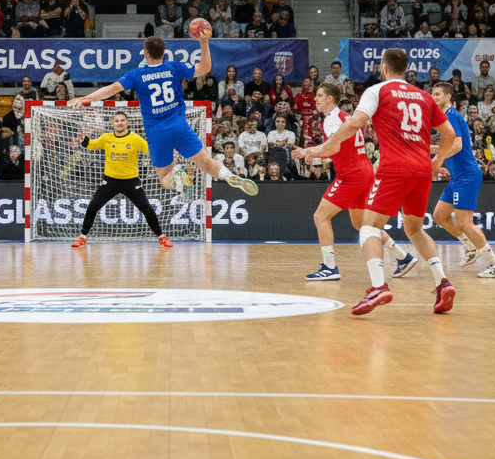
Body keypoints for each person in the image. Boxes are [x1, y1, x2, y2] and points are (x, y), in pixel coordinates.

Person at [304, 47, 458, 315]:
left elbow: (353, 124)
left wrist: (319, 149)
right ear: (406, 68)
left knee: (368, 228)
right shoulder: (424, 96)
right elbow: (449, 133)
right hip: (422, 169)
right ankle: (442, 282)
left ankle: (378, 287)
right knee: (415, 229)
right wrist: (439, 160)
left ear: (384, 68)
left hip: (394, 167)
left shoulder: (377, 91)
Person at [69, 34, 258, 204]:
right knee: (207, 164)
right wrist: (203, 41)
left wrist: (85, 98)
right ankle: (229, 174)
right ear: (164, 52)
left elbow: (110, 90)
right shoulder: (174, 67)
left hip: (157, 132)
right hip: (179, 126)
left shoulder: (137, 74)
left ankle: (177, 177)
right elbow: (205, 67)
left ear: (145, 53)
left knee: (165, 177)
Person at [292, 82, 416, 282]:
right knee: (362, 224)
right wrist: (316, 153)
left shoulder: (332, 120)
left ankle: (329, 267)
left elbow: (334, 149)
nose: (315, 99)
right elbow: (336, 148)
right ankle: (403, 256)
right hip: (364, 172)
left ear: (330, 98)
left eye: (319, 95)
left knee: (320, 216)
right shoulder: (346, 118)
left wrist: (310, 151)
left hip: (351, 175)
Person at [429, 82, 495, 278]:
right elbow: (448, 146)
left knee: (465, 222)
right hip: (456, 177)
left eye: (437, 94)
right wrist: (427, 149)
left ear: (449, 97)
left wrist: (437, 158)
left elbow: (456, 145)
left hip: (467, 175)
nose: (433, 97)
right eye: (432, 94)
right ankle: (471, 247)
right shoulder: (444, 118)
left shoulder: (451, 116)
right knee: (439, 215)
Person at [71, 111, 170, 248]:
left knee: (146, 208)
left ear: (127, 123)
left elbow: (150, 150)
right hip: (110, 182)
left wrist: (164, 146)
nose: (119, 123)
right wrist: (84, 140)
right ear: (113, 123)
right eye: (117, 121)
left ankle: (161, 236)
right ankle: (82, 237)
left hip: (131, 182)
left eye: (122, 120)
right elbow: (92, 145)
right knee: (93, 206)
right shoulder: (106, 138)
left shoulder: (135, 138)